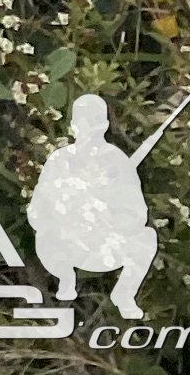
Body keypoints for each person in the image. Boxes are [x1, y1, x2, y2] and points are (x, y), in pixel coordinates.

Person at [31, 93, 161, 320]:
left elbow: (137, 212)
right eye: (82, 127)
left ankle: (124, 294)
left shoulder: (117, 161)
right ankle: (65, 278)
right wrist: (64, 215)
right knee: (45, 235)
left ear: (104, 126)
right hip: (67, 244)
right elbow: (37, 209)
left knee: (147, 238)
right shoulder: (60, 160)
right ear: (72, 127)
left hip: (105, 244)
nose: (87, 134)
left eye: (93, 126)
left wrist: (109, 216)